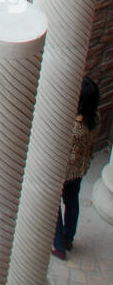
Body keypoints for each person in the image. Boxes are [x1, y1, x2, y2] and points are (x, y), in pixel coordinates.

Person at [52, 77, 100, 260]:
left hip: (63, 172)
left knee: (53, 207)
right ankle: (67, 239)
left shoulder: (73, 127)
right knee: (72, 203)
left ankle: (58, 246)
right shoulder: (94, 119)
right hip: (79, 170)